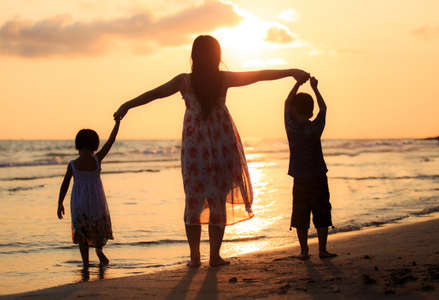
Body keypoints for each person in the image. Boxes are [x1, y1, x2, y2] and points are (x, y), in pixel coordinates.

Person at [114, 35, 310, 267]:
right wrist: (291, 71)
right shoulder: (222, 79)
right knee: (217, 200)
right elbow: (259, 75)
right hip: (221, 145)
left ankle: (195, 258)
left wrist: (127, 105)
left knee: (194, 202)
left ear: (194, 56)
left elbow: (153, 94)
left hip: (195, 149)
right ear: (217, 56)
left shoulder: (184, 81)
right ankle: (214, 256)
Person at [284, 76, 336, 260]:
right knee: (322, 211)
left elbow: (286, 103)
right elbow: (324, 108)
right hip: (318, 176)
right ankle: (322, 250)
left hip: (301, 178)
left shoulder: (291, 128)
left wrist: (297, 83)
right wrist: (315, 88)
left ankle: (304, 251)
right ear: (310, 111)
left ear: (294, 110)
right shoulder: (315, 127)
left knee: (301, 215)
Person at [57, 119, 120, 268]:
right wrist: (117, 124)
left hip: (79, 203)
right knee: (98, 230)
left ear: (78, 145)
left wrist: (60, 203)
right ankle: (99, 251)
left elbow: (64, 185)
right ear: (94, 145)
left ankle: (85, 263)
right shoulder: (96, 160)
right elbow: (111, 141)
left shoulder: (73, 164)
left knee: (82, 234)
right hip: (96, 203)